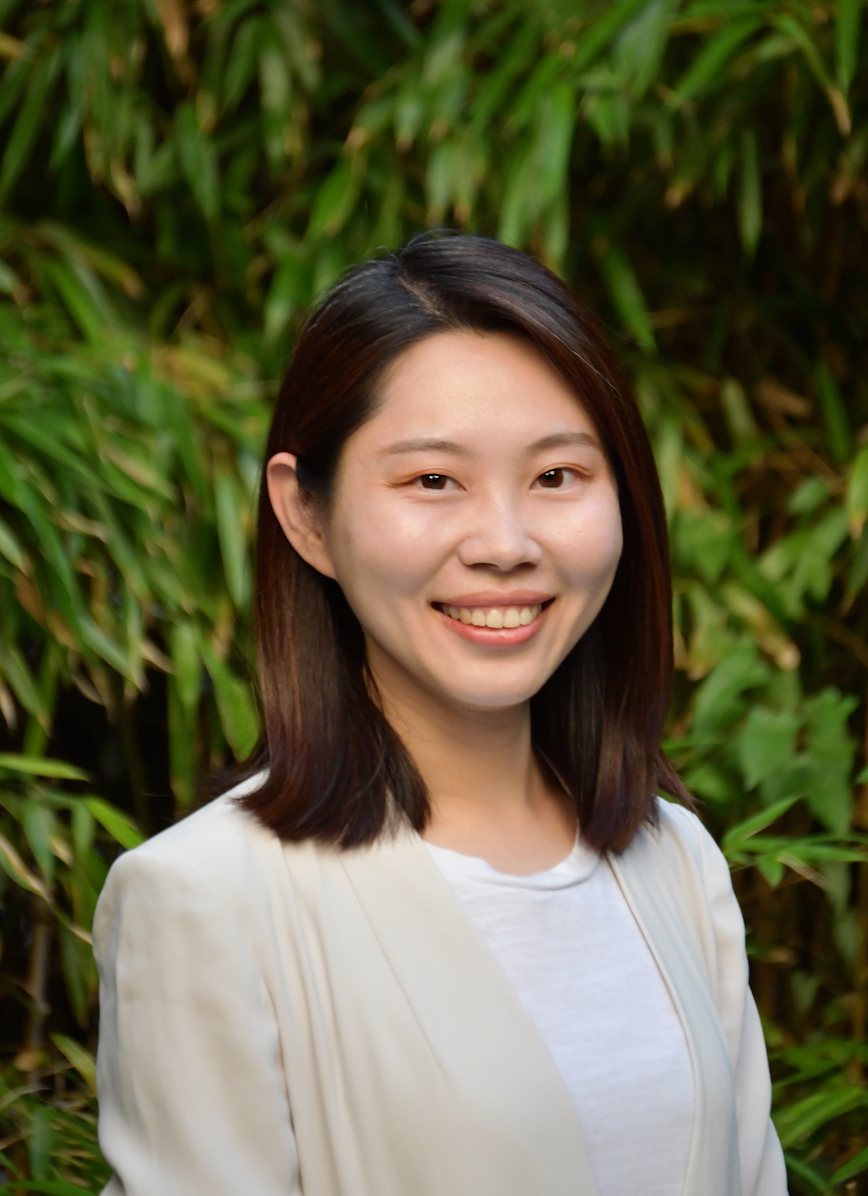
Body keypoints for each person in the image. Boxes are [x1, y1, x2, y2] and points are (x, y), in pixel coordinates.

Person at [93, 234, 788, 1196]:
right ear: (306, 516)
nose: (505, 544)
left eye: (557, 477)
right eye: (433, 481)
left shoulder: (674, 861)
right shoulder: (206, 899)